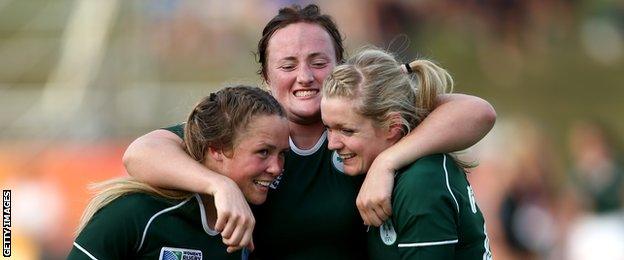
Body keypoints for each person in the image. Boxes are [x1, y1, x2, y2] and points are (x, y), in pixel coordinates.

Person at [122, 4, 496, 258]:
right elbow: (140, 152)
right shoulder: (245, 131)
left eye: (319, 62)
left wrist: (388, 163)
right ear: (266, 78)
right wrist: (218, 186)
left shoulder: (367, 124)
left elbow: (477, 112)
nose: (305, 76)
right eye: (288, 65)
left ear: (340, 67)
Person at [68, 86, 290, 259]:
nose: (277, 168)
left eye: (282, 154)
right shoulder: (136, 212)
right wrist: (222, 185)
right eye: (263, 152)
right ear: (216, 149)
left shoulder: (257, 216)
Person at [321, 47, 492, 259]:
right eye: (328, 128)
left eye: (347, 130)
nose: (332, 144)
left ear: (392, 127)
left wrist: (385, 162)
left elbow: (481, 111)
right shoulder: (393, 169)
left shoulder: (421, 183)